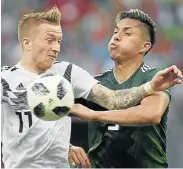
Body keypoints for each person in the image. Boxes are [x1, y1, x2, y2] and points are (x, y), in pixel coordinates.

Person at [1, 6, 182, 168]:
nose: (56, 48)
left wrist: (150, 87)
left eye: (59, 41)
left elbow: (118, 102)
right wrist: (67, 146)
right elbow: (41, 118)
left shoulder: (67, 72)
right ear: (27, 43)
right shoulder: (4, 80)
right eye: (50, 40)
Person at [69, 9, 183, 168]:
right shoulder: (94, 84)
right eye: (115, 31)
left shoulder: (154, 78)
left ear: (144, 46)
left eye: (127, 33)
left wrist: (95, 114)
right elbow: (53, 112)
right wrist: (67, 147)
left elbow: (151, 114)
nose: (116, 36)